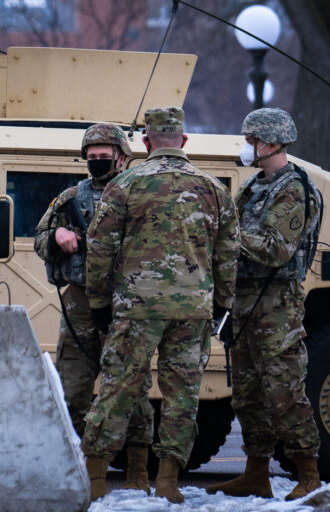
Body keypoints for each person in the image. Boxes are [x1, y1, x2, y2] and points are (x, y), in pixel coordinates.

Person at [82, 107, 240, 503]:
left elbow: (99, 250)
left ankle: (95, 480)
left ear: (146, 142)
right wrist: (223, 305)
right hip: (193, 310)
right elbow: (228, 256)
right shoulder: (214, 189)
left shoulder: (125, 184)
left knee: (117, 389)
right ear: (183, 141)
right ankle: (168, 482)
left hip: (136, 308)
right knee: (183, 396)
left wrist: (99, 302)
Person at [207, 108, 323, 501]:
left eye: (252, 140)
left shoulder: (295, 190)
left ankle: (309, 472)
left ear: (271, 142)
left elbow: (276, 249)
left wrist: (227, 233)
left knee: (284, 391)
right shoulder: (255, 186)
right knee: (247, 393)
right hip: (245, 302)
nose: (248, 147)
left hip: (277, 306)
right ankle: (256, 472)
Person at [34, 123, 153, 493]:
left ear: (122, 156)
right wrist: (57, 235)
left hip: (125, 303)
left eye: (105, 156)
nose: (98, 162)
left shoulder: (140, 193)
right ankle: (80, 466)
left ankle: (137, 471)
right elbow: (40, 237)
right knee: (72, 388)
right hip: (81, 303)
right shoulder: (71, 197)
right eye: (92, 157)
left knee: (131, 387)